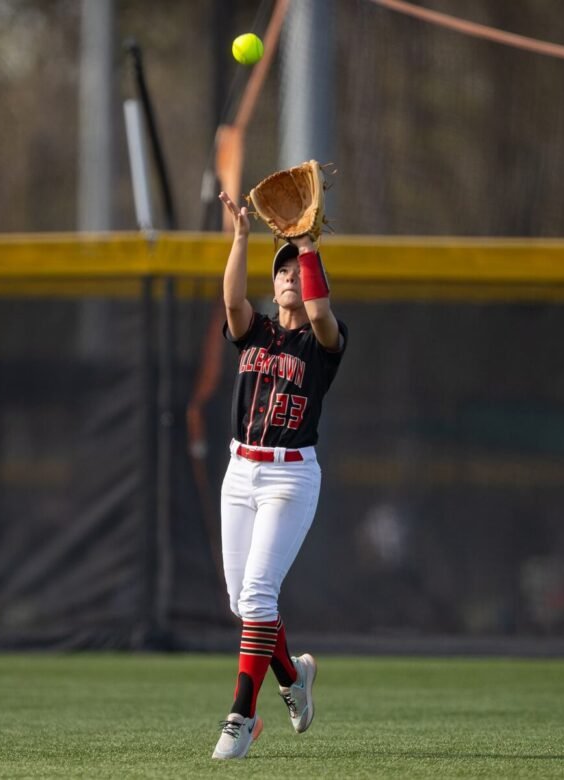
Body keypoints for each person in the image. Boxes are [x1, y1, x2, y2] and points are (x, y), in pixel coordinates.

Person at [211, 191, 348, 760]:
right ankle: (294, 680)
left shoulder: (323, 342)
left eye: (297, 269)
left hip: (290, 479)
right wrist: (242, 236)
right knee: (244, 604)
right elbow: (232, 297)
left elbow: (320, 314)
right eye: (283, 270)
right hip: (240, 471)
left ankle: (242, 716)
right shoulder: (256, 331)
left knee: (260, 592)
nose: (290, 275)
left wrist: (307, 244)